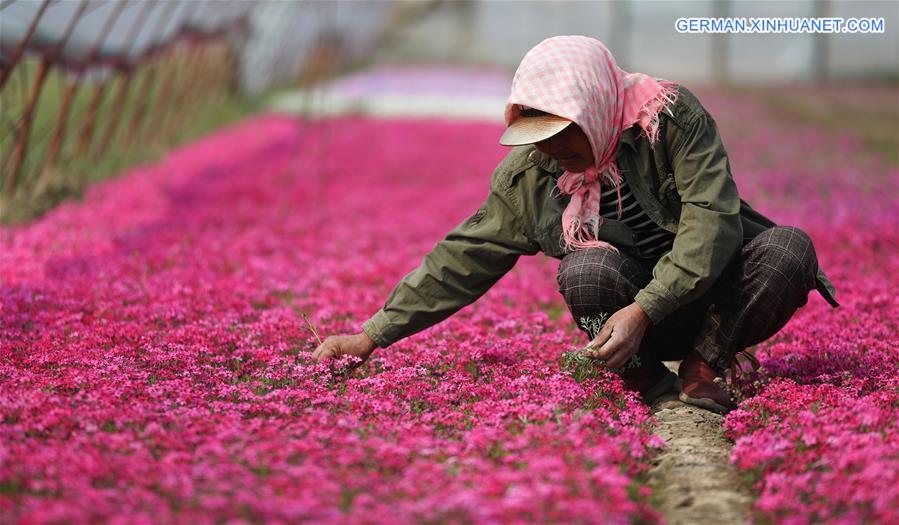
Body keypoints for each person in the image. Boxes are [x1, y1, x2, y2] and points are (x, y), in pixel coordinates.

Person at [311, 35, 838, 414]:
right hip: (629, 326)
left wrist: (644, 308)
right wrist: (371, 336)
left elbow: (712, 225)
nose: (551, 149)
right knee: (583, 272)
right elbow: (463, 258)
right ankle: (643, 377)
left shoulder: (670, 119)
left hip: (713, 300)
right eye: (536, 134)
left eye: (564, 131)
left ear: (595, 109)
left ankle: (706, 364)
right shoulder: (533, 173)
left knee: (789, 250)